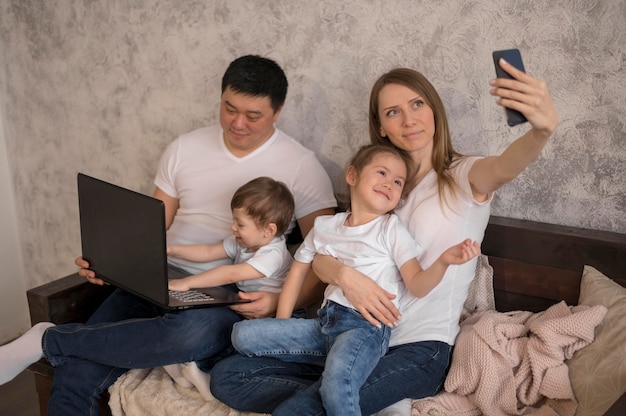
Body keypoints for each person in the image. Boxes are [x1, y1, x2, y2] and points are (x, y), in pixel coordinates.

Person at [210, 58, 559, 415]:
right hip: (350, 334)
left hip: (416, 347)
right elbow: (324, 250)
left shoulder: (463, 176)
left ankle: (329, 394)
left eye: (417, 104)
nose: (409, 119)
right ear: (381, 127)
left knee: (304, 409)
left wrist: (540, 132)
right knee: (228, 376)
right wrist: (345, 276)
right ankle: (339, 388)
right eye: (393, 112)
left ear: (434, 110)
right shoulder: (379, 186)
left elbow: (504, 166)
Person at [0, 55, 337, 415]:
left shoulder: (301, 167)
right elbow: (151, 227)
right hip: (159, 274)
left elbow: (322, 258)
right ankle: (52, 343)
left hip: (223, 296)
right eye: (229, 108)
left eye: (252, 115)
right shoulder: (184, 148)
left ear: (278, 110)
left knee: (188, 335)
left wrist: (279, 303)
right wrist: (109, 259)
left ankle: (48, 338)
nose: (237, 123)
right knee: (76, 373)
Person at [231, 144, 480, 416]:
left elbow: (418, 284)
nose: (389, 183)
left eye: (398, 181)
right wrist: (282, 324)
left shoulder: (390, 229)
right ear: (352, 176)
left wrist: (444, 261)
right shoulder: (325, 227)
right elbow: (299, 271)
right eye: (382, 173)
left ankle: (341, 381)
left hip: (364, 329)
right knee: (242, 335)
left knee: (336, 384)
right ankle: (336, 371)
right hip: (325, 326)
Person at [167, 176, 294, 294]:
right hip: (242, 295)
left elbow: (230, 275)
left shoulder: (273, 255)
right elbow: (208, 251)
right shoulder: (243, 242)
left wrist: (186, 283)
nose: (233, 227)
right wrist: (170, 250)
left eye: (240, 224)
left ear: (269, 230)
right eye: (233, 220)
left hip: (268, 310)